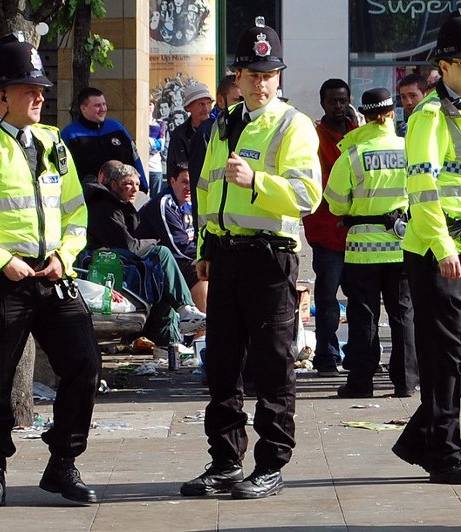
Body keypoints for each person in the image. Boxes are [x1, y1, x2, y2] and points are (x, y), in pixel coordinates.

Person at [0, 33, 101, 510]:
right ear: (0, 97)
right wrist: (0, 263)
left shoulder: (53, 143)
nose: (38, 96)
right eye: (26, 88)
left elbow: (76, 214)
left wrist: (64, 257)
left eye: (40, 88)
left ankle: (62, 464)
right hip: (2, 280)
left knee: (84, 364)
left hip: (53, 274)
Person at [181, 16, 321, 500]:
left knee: (273, 365)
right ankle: (223, 461)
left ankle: (270, 464)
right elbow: (204, 192)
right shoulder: (223, 125)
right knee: (222, 364)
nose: (260, 83)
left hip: (270, 259)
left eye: (268, 74)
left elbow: (308, 197)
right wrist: (203, 249)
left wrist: (257, 183)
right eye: (251, 74)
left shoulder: (293, 124)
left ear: (278, 77)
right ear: (235, 78)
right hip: (224, 257)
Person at [392, 7, 461, 485]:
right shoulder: (429, 116)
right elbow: (424, 188)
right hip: (438, 250)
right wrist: (441, 245)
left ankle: (422, 436)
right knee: (444, 355)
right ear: (444, 66)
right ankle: (443, 450)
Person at [324, 87, 418, 398]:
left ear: (363, 116)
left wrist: (355, 208)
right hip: (402, 245)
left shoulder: (352, 154)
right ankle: (405, 382)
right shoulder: (410, 150)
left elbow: (335, 202)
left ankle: (361, 382)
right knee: (403, 315)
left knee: (364, 317)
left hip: (362, 250)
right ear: (393, 114)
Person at [83, 161, 206, 345]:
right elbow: (128, 245)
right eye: (128, 184)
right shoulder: (105, 206)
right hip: (108, 263)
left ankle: (179, 327)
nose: (134, 190)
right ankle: (186, 312)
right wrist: (155, 241)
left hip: (121, 260)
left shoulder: (119, 204)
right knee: (163, 254)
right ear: (114, 184)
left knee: (164, 273)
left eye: (137, 185)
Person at [303, 78, 358, 377]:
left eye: (342, 100)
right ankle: (327, 355)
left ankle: (359, 354)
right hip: (326, 231)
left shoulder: (358, 134)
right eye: (332, 101)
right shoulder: (314, 137)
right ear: (322, 102)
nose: (338, 106)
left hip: (359, 233)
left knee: (361, 299)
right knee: (327, 299)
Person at [137, 164, 207, 313]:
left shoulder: (190, 203)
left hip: (178, 256)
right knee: (200, 270)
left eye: (191, 182)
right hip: (153, 259)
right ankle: (201, 331)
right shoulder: (164, 203)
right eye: (184, 182)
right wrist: (205, 256)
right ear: (172, 181)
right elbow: (179, 247)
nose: (188, 187)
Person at [61, 87, 148, 192]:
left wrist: (143, 187)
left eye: (104, 104)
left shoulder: (117, 128)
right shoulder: (70, 134)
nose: (103, 109)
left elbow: (135, 158)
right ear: (83, 108)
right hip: (89, 198)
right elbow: (63, 170)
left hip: (122, 195)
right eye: (97, 105)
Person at [188, 74, 243, 212]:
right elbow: (199, 186)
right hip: (215, 223)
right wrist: (201, 230)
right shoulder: (207, 132)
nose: (243, 105)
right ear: (220, 101)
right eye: (237, 100)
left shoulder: (250, 128)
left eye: (244, 99)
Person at [167, 82, 213, 178]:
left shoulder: (218, 130)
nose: (206, 109)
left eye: (209, 103)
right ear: (188, 107)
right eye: (201, 104)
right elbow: (172, 169)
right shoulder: (179, 135)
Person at [149, 97, 167, 195]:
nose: (148, 107)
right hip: (140, 168)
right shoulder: (137, 124)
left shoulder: (160, 123)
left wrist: (148, 141)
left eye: (150, 104)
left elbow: (160, 145)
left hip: (155, 167)